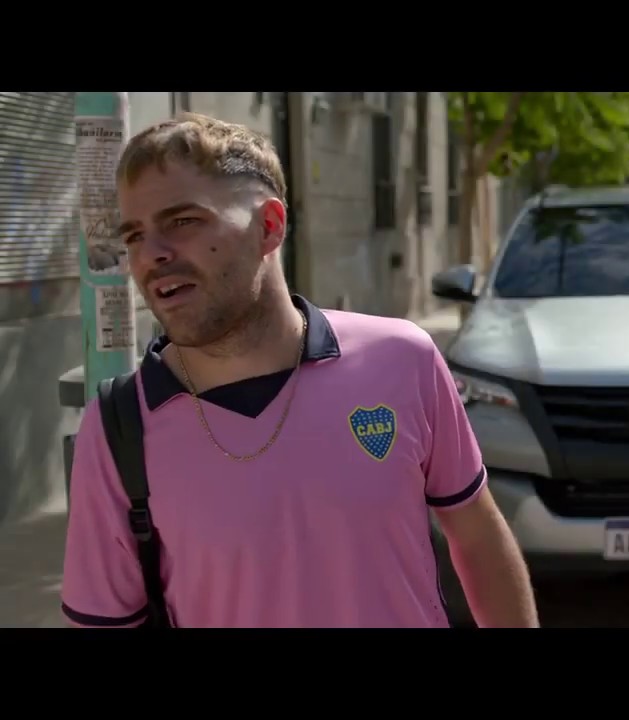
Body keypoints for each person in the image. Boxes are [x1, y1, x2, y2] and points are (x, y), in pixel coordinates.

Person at [59, 112, 538, 628]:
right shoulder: (117, 428)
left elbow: (476, 535)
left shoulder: (403, 359)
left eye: (183, 222)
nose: (151, 254)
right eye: (134, 235)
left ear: (269, 227)